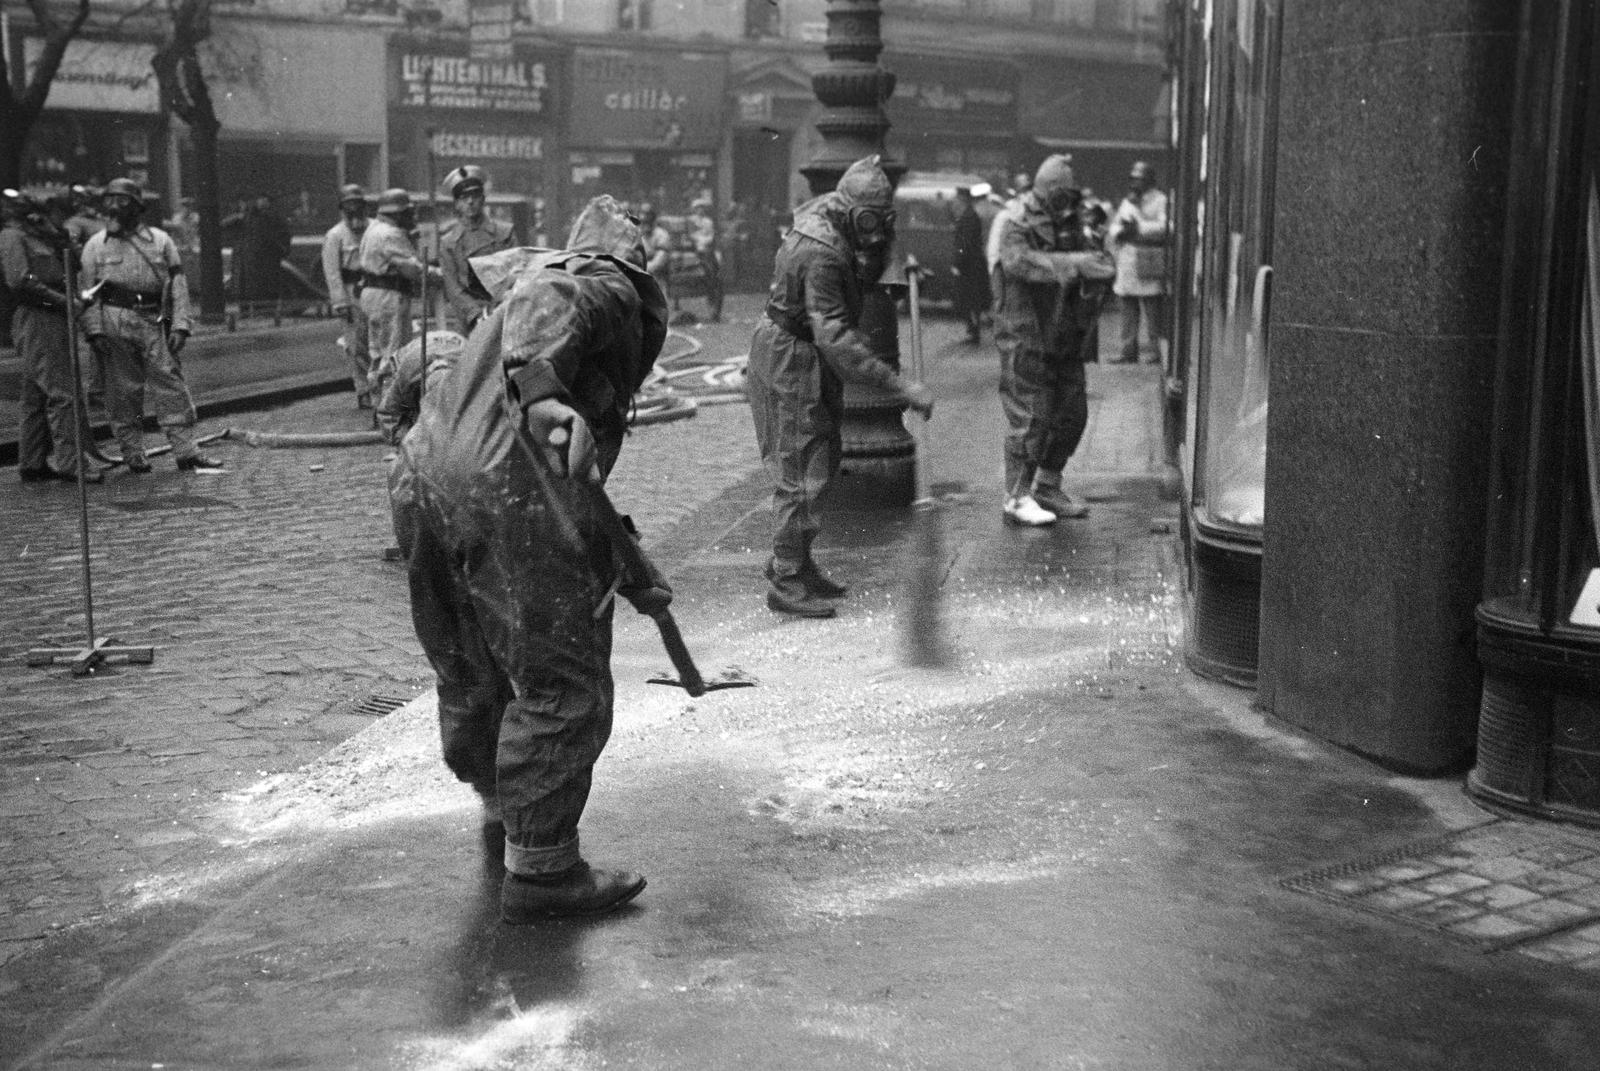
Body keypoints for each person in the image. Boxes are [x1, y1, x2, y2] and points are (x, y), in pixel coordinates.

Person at [389, 195, 667, 922]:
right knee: (563, 679)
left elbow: (579, 485)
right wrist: (544, 393)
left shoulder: (507, 303)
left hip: (424, 475)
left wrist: (630, 564)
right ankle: (543, 869)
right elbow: (561, 303)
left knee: (471, 658)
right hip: (501, 486)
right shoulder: (597, 281)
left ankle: (500, 803)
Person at [745, 154, 935, 618]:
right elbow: (836, 337)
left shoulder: (831, 213)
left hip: (804, 349)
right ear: (855, 212)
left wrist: (881, 252)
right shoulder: (823, 251)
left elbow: (855, 274)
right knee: (799, 472)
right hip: (794, 355)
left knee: (821, 459)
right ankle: (786, 578)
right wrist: (899, 385)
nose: (875, 230)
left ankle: (799, 563)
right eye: (872, 221)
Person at [991, 154, 1114, 525]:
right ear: (1048, 192)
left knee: (1072, 415)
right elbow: (1018, 263)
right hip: (1025, 333)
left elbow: (1104, 262)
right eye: (1062, 194)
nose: (1067, 202)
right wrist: (1074, 265)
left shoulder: (1078, 222)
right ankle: (1017, 495)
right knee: (1031, 417)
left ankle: (1047, 485)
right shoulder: (1015, 221)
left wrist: (1083, 263)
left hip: (1065, 334)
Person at [81, 177, 220, 474]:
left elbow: (178, 285)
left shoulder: (160, 240)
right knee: (123, 390)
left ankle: (185, 450)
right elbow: (87, 292)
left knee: (170, 383)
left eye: (123, 201)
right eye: (111, 201)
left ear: (137, 207)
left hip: (155, 318)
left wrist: (181, 325)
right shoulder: (95, 245)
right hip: (114, 320)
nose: (115, 208)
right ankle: (132, 453)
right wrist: (94, 330)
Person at [1, 190, 101, 483]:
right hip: (37, 315)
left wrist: (54, 233)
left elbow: (72, 260)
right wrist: (61, 300)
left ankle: (32, 460)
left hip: (53, 316)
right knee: (62, 392)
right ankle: (72, 462)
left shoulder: (38, 236)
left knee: (35, 393)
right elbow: (20, 280)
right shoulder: (11, 237)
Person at [358, 189, 435, 407]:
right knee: (394, 352)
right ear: (397, 213)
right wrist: (436, 273)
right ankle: (389, 407)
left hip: (372, 294)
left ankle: (377, 403)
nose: (410, 217)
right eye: (406, 212)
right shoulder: (391, 233)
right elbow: (413, 269)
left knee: (376, 350)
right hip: (389, 295)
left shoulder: (372, 228)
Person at [437, 165, 517, 334]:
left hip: (505, 312)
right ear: (456, 204)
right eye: (464, 198)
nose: (470, 202)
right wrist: (476, 314)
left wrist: (501, 308)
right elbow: (453, 288)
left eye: (475, 195)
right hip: (471, 321)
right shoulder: (449, 242)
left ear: (483, 198)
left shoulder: (504, 233)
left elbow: (517, 273)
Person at [1109, 161, 1170, 364]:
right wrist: (1121, 231)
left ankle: (1155, 351)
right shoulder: (1128, 201)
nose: (1136, 183)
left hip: (1148, 254)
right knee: (1127, 309)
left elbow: (1165, 226)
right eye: (1133, 179)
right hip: (1129, 255)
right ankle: (1128, 350)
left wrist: (1140, 226)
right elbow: (1115, 226)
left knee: (1153, 310)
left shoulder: (1160, 200)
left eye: (1140, 179)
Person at [321, 184, 374, 408]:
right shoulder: (335, 235)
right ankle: (363, 388)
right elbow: (332, 271)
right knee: (356, 344)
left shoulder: (374, 228)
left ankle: (381, 387)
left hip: (375, 287)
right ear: (342, 209)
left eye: (358, 204)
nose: (354, 210)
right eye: (348, 205)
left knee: (379, 341)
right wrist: (340, 301)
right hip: (351, 292)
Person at [375, 328, 466, 446]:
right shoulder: (405, 375)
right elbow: (387, 414)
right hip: (415, 355)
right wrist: (404, 444)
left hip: (456, 344)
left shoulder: (473, 372)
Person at [952, 185, 992, 344]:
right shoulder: (969, 215)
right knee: (970, 300)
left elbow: (964, 244)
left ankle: (973, 331)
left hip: (969, 267)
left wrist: (957, 262)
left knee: (969, 300)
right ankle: (972, 330)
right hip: (972, 265)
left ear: (962, 200)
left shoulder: (967, 217)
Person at [688, 198, 723, 322]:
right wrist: (701, 240)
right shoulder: (691, 221)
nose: (700, 210)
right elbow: (691, 236)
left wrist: (705, 240)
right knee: (709, 274)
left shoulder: (708, 221)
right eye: (698, 208)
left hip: (708, 251)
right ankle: (712, 306)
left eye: (702, 208)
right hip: (697, 251)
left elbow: (712, 236)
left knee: (716, 277)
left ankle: (715, 310)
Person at [637, 202, 672, 295]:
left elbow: (660, 261)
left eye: (648, 221)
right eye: (643, 222)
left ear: (653, 220)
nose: (645, 225)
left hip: (657, 275)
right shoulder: (637, 234)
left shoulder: (661, 235)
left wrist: (641, 270)